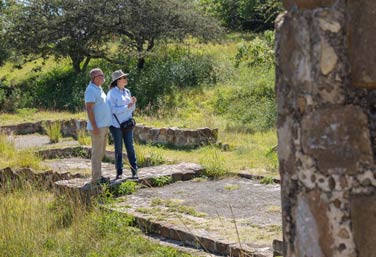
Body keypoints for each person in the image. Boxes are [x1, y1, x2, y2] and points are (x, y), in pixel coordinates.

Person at [106, 70, 138, 179]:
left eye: (125, 77)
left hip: (127, 123)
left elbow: (131, 109)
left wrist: (133, 104)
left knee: (130, 147)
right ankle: (119, 173)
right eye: (123, 77)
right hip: (116, 125)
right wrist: (127, 106)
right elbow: (113, 110)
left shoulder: (127, 92)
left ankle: (135, 171)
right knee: (118, 149)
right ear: (118, 80)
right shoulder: (111, 93)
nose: (125, 79)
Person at [84, 68, 112, 184]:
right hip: (98, 127)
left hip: (103, 126)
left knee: (101, 152)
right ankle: (96, 179)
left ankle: (99, 176)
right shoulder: (91, 90)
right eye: (99, 76)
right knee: (97, 153)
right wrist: (94, 126)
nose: (102, 77)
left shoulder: (99, 89)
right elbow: (89, 109)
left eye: (102, 74)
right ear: (93, 78)